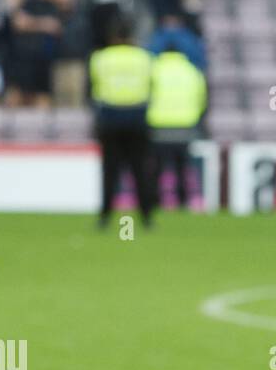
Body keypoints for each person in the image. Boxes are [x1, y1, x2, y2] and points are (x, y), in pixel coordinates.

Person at [89, 17, 154, 229]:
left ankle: (105, 217)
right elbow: (151, 85)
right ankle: (146, 217)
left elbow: (93, 87)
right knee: (139, 170)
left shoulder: (101, 58)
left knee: (110, 171)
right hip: (136, 117)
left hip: (110, 118)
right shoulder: (144, 57)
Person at [147, 43, 207, 211]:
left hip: (158, 125)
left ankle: (154, 201)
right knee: (182, 167)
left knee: (157, 167)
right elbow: (201, 99)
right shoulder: (192, 71)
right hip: (185, 125)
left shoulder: (154, 69)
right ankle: (182, 202)